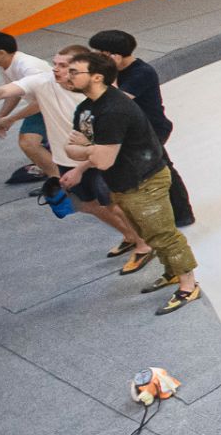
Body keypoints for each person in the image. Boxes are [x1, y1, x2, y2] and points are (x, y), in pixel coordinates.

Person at [0, 43, 147, 263]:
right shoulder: (43, 81)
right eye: (55, 63)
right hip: (65, 158)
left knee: (114, 203)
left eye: (63, 65)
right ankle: (129, 235)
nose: (55, 69)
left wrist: (81, 166)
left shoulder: (97, 95)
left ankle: (144, 245)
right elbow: (1, 91)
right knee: (88, 205)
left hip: (95, 159)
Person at [63, 51, 201, 314]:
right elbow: (70, 148)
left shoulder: (114, 110)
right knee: (148, 233)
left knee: (163, 234)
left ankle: (188, 285)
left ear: (96, 77)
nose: (66, 77)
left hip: (145, 181)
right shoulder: (86, 109)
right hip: (122, 183)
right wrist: (88, 150)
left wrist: (87, 147)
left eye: (73, 72)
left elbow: (101, 159)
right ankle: (172, 272)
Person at [86, 30, 194, 228]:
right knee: (157, 169)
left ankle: (182, 214)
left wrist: (111, 72)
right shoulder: (116, 71)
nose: (94, 57)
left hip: (152, 129)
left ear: (113, 54)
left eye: (99, 52)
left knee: (163, 168)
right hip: (135, 131)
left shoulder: (141, 72)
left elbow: (116, 102)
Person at [0, 31, 56, 184]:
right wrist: (1, 116)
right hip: (42, 106)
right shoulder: (2, 65)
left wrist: (12, 118)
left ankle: (59, 182)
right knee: (29, 143)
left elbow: (42, 101)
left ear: (1, 52)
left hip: (57, 106)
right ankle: (56, 176)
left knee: (29, 143)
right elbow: (13, 93)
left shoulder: (29, 67)